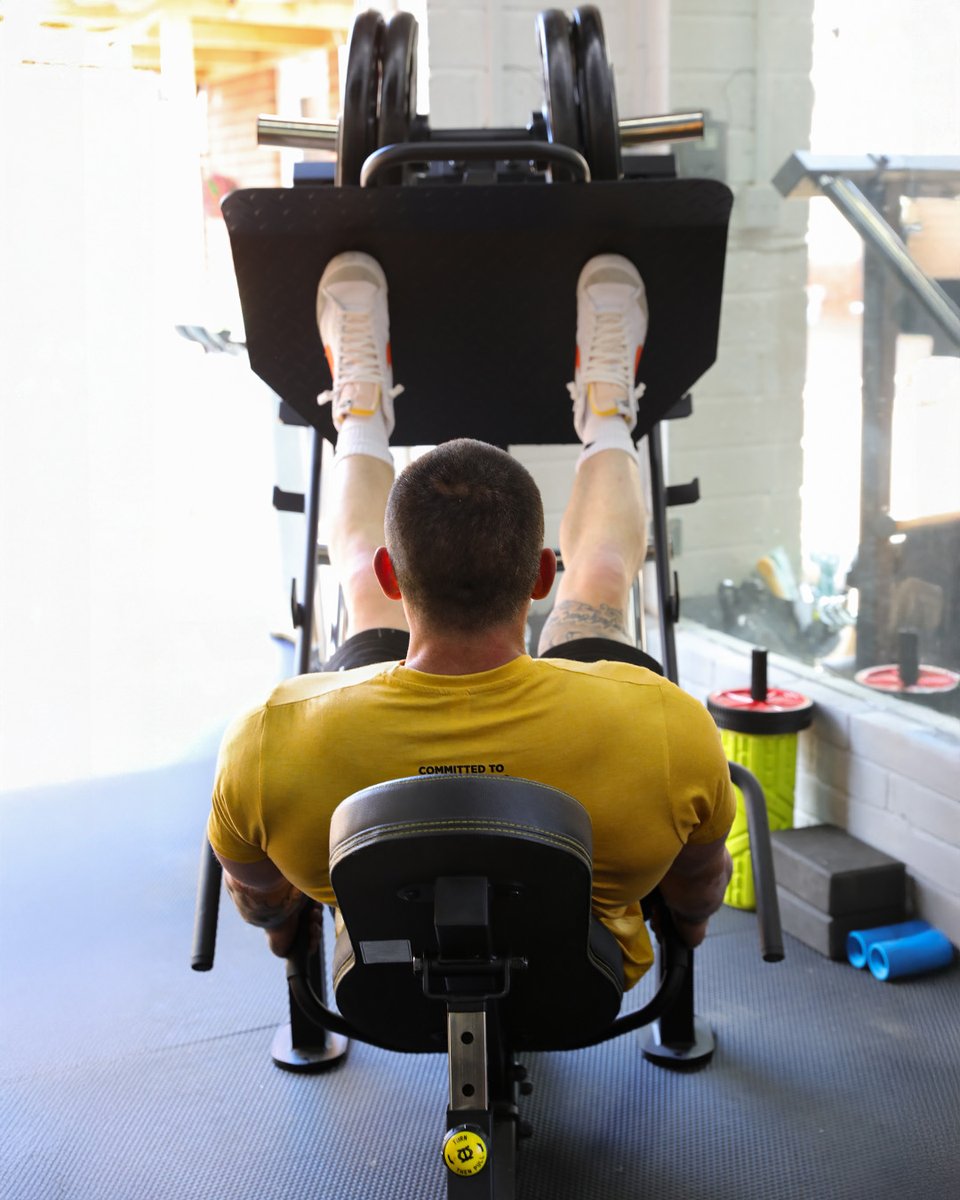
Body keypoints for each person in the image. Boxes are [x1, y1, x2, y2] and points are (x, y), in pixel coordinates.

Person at [208, 251, 734, 989]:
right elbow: (698, 885)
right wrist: (691, 927)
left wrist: (281, 930)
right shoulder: (673, 730)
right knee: (606, 580)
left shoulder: (264, 741)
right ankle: (607, 413)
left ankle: (360, 414)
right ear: (540, 576)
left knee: (355, 578)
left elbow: (259, 895)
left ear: (403, 577)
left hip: (383, 982)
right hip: (582, 982)